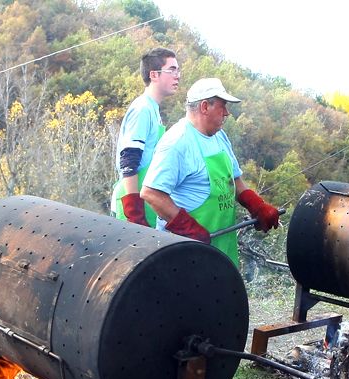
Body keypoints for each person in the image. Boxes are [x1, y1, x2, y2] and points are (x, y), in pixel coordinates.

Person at [140, 77, 280, 266]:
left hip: (221, 248)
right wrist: (188, 228)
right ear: (205, 107)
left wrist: (257, 206)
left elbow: (234, 180)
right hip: (183, 254)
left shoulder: (219, 136)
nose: (227, 113)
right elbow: (151, 193)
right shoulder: (177, 142)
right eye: (222, 107)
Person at [111, 48, 180, 228]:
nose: (177, 75)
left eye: (178, 70)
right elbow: (129, 160)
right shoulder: (142, 109)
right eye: (172, 70)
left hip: (147, 200)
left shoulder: (153, 109)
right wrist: (133, 211)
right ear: (154, 75)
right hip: (133, 203)